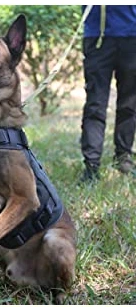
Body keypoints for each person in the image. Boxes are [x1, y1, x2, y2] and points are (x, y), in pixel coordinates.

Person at [80, 5, 136, 182]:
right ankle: (91, 164)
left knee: (129, 104)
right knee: (95, 105)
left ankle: (124, 156)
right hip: (97, 37)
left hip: (132, 36)